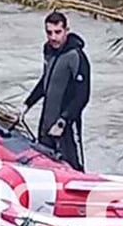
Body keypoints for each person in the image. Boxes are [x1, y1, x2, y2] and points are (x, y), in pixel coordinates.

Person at [19, 11, 91, 171]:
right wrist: (27, 104)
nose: (53, 37)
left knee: (74, 168)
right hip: (46, 123)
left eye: (58, 32)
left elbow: (83, 96)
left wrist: (63, 121)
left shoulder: (76, 56)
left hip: (66, 126)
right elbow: (46, 81)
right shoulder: (48, 50)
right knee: (42, 166)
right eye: (49, 32)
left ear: (66, 30)